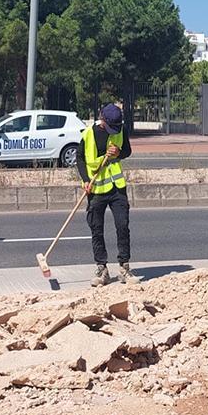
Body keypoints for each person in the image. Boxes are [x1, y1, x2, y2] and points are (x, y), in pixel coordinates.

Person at [78, 103, 140, 287]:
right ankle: (101, 268)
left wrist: (119, 153)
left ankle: (124, 268)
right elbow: (80, 158)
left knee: (123, 226)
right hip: (96, 189)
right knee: (96, 229)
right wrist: (85, 179)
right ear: (102, 119)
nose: (114, 130)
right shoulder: (89, 134)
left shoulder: (120, 130)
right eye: (110, 126)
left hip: (116, 187)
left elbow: (127, 151)